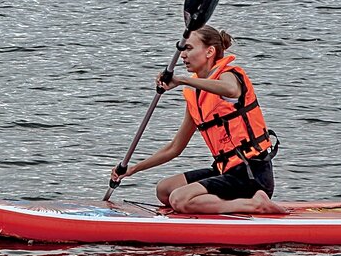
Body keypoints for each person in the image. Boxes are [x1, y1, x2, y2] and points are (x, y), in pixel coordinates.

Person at [109, 25, 284, 214]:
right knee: (165, 190)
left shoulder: (229, 75)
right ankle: (212, 204)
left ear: (210, 52)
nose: (183, 55)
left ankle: (255, 204)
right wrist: (134, 169)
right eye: (183, 49)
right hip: (225, 171)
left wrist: (183, 80)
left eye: (189, 48)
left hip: (251, 174)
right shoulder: (197, 96)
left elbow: (231, 90)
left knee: (179, 199)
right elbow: (175, 147)